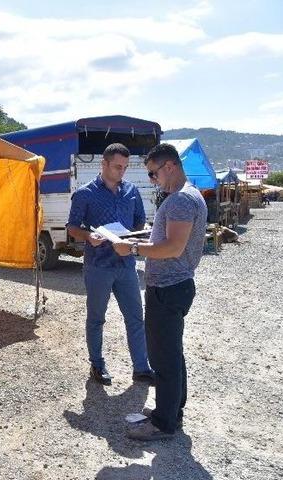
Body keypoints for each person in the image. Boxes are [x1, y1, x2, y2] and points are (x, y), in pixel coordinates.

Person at [112, 143, 208, 441]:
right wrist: (138, 236)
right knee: (172, 354)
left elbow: (173, 247)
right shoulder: (187, 196)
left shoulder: (179, 200)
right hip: (175, 286)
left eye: (153, 174)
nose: (153, 180)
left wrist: (132, 248)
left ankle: (164, 423)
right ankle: (171, 411)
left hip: (167, 288)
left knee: (163, 358)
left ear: (169, 167)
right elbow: (166, 236)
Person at [67, 143, 154, 386]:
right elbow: (72, 227)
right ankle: (97, 365)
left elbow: (139, 221)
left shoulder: (132, 191)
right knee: (96, 318)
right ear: (103, 164)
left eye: (125, 167)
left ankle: (141, 367)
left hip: (126, 265)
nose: (122, 171)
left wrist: (138, 233)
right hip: (98, 266)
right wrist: (88, 237)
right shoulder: (85, 194)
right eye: (117, 166)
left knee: (136, 317)